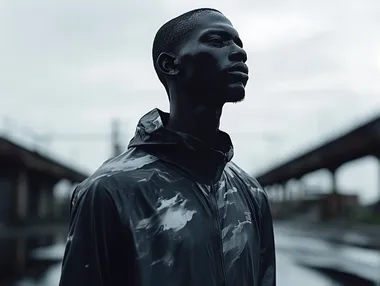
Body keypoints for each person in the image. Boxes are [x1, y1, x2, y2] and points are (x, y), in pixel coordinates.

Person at [59, 7, 276, 286]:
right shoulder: (110, 190)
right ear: (170, 65)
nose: (239, 52)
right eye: (217, 41)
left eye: (238, 43)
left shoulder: (251, 193)